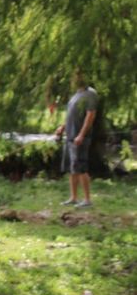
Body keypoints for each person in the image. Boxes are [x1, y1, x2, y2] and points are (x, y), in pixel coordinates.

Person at [63, 69, 99, 207]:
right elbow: (72, 115)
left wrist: (81, 135)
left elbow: (90, 116)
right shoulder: (76, 94)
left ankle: (87, 200)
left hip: (80, 137)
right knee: (73, 168)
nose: (75, 78)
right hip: (71, 135)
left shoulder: (90, 94)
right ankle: (73, 197)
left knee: (81, 168)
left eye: (78, 75)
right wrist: (62, 127)